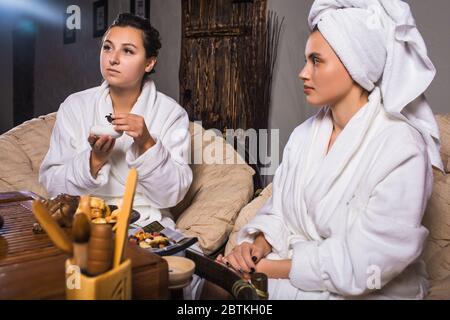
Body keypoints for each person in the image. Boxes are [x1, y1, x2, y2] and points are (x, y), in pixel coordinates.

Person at [218, 0, 445, 299]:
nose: (303, 72)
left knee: (225, 291)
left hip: (366, 285)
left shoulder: (401, 147)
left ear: (356, 64)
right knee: (209, 283)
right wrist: (256, 248)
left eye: (316, 60)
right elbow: (280, 211)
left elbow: (370, 260)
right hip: (295, 268)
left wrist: (267, 271)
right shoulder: (304, 136)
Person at [39, 13, 192, 229]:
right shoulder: (75, 106)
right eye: (108, 47)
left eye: (127, 51)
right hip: (82, 220)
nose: (113, 58)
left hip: (145, 223)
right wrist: (94, 160)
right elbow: (53, 186)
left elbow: (172, 195)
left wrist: (147, 143)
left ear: (149, 63)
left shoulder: (170, 113)